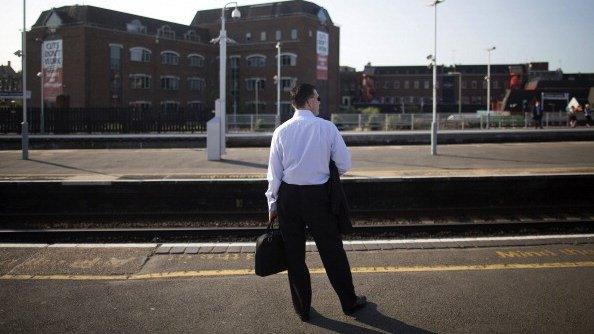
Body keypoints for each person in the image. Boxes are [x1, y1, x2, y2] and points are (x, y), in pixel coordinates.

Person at [265, 83, 367, 322]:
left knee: (294, 255)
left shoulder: (281, 131)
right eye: (318, 98)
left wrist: (272, 204)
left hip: (289, 198)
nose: (320, 102)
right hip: (318, 198)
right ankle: (349, 302)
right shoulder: (327, 128)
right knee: (332, 252)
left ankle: (303, 309)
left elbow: (274, 173)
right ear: (310, 100)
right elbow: (344, 165)